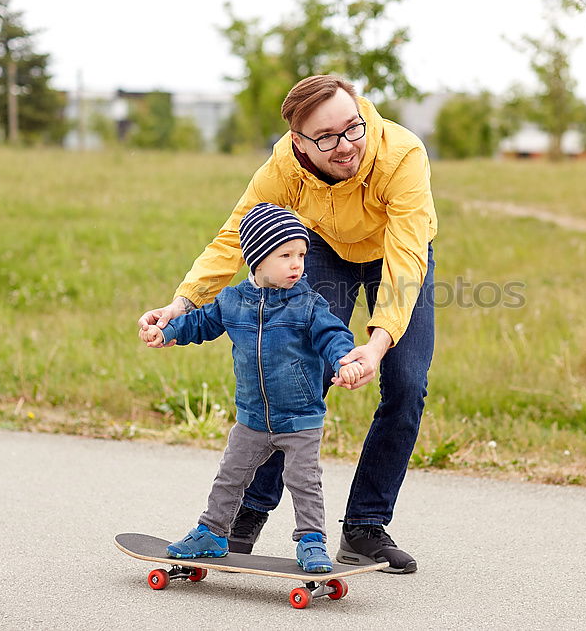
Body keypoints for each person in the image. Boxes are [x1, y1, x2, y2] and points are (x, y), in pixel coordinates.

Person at [138, 74, 437, 574]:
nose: (346, 145)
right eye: (326, 138)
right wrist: (183, 304)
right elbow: (235, 237)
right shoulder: (283, 165)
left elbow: (405, 258)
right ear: (299, 142)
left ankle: (364, 527)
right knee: (294, 377)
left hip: (396, 250)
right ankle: (245, 516)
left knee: (405, 382)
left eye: (352, 128)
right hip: (321, 249)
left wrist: (378, 342)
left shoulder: (401, 155)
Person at [140, 203, 366, 573]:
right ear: (257, 259)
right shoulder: (232, 301)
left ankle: (311, 541)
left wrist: (347, 361)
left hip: (300, 419)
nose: (298, 264)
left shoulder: (309, 304)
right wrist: (166, 332)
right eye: (286, 255)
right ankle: (212, 533)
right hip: (251, 418)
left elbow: (334, 336)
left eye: (302, 255)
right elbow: (199, 323)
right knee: (230, 475)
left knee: (303, 482)